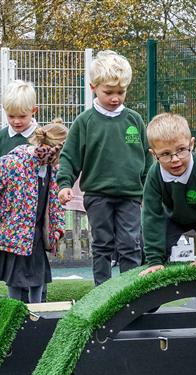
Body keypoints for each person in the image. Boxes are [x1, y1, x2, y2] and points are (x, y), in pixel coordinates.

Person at [57, 50, 152, 285]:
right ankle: (103, 291)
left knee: (131, 243)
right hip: (98, 195)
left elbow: (147, 160)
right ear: (93, 87)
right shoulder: (85, 122)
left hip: (130, 195)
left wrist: (151, 188)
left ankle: (131, 289)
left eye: (121, 92)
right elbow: (69, 156)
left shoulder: (134, 120)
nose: (115, 98)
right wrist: (65, 183)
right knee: (102, 244)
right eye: (108, 92)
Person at [0, 119, 68, 303]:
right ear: (55, 150)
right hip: (14, 232)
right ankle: (14, 312)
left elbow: (54, 201)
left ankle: (36, 312)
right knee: (15, 278)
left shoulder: (51, 169)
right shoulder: (14, 163)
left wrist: (56, 228)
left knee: (38, 277)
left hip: (36, 233)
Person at [139, 113, 196, 276]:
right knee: (153, 260)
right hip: (172, 218)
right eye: (165, 154)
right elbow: (152, 215)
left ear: (191, 144)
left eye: (181, 150)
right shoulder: (154, 175)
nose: (175, 159)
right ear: (154, 154)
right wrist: (155, 260)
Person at [0, 80, 39, 170]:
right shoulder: (1, 137)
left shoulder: (40, 136)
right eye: (11, 116)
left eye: (22, 116)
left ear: (34, 110)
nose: (16, 121)